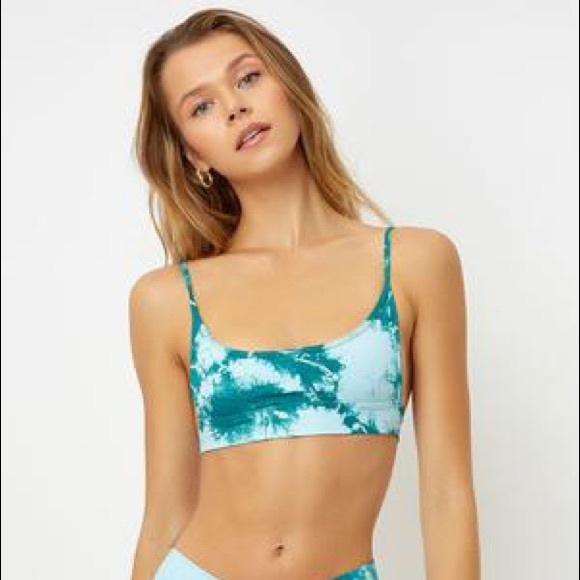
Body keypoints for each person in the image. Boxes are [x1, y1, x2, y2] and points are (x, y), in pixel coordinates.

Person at [128, 8, 481, 580]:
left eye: (247, 77)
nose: (235, 107)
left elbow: (447, 493)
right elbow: (164, 514)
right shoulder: (166, 301)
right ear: (194, 154)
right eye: (201, 107)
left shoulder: (415, 264)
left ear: (289, 86)